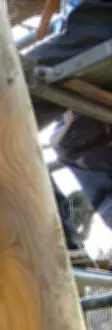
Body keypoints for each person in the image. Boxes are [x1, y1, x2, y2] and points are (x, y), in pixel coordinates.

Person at [25, 0, 112, 228]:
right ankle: (59, 234)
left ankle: (54, 235)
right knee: (75, 135)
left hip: (98, 22)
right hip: (92, 24)